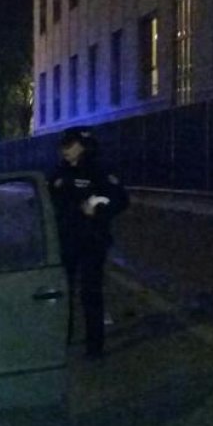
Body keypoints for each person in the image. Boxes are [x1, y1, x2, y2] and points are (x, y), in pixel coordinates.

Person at [47, 126, 129, 358]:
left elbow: (121, 200)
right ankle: (64, 340)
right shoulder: (58, 172)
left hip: (92, 241)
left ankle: (95, 347)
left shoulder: (99, 172)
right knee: (64, 293)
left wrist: (98, 210)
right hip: (65, 242)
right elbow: (48, 201)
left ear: (83, 146)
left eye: (70, 145)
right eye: (63, 145)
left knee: (90, 293)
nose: (65, 150)